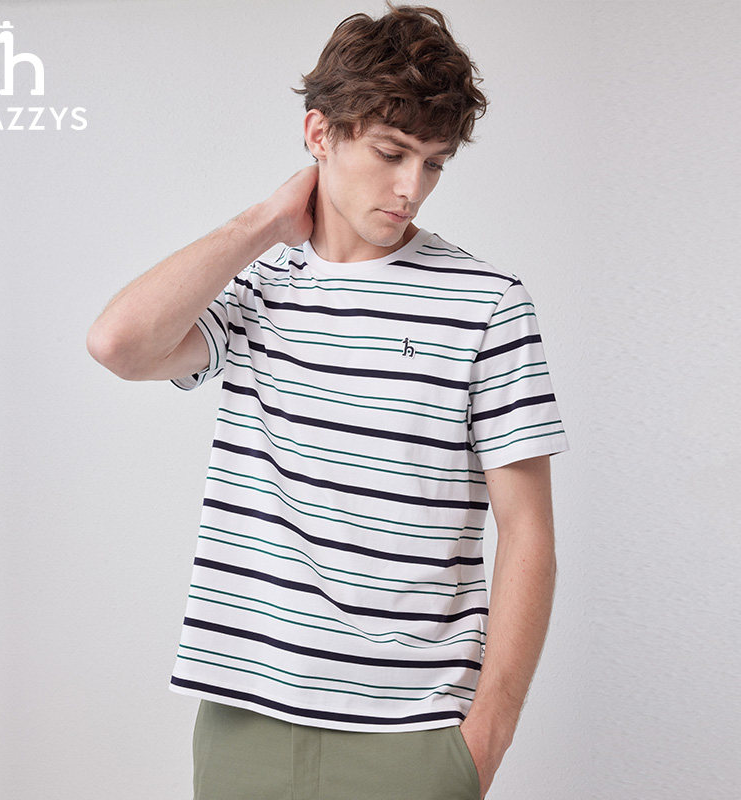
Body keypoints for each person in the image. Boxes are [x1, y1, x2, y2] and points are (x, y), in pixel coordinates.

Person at [86, 3, 570, 798]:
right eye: (391, 152)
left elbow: (529, 534)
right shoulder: (257, 285)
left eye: (434, 163)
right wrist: (262, 222)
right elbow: (118, 344)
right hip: (244, 721)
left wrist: (484, 740)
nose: (411, 188)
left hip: (413, 735)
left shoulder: (487, 303)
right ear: (320, 134)